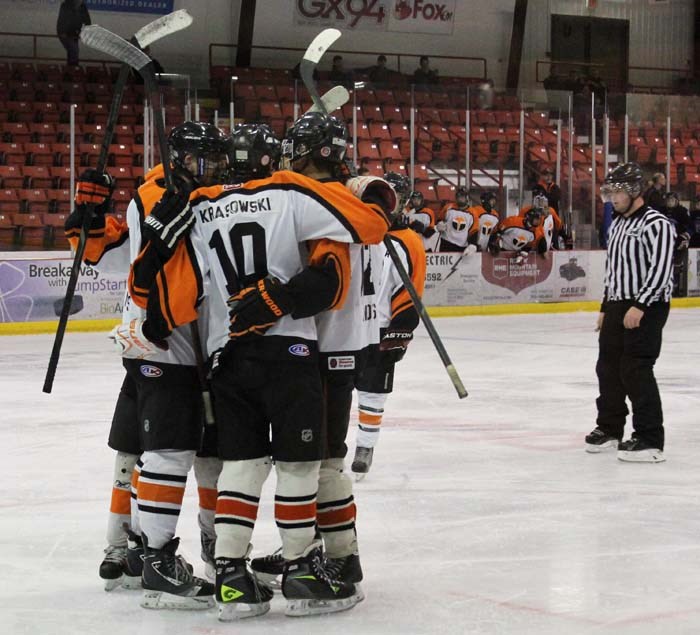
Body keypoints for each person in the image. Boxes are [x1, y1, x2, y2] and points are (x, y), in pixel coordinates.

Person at [130, 113, 392, 620]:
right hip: (294, 352)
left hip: (226, 356)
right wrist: (378, 197)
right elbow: (370, 226)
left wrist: (159, 321)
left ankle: (230, 574)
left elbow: (157, 295)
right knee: (305, 464)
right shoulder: (291, 191)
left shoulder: (200, 205)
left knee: (242, 463)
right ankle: (303, 569)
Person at [74, 122, 230, 608]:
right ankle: (140, 551)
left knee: (180, 448)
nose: (217, 169)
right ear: (185, 158)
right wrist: (89, 216)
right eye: (207, 160)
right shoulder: (153, 194)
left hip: (188, 344)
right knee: (161, 448)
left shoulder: (204, 194)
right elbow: (122, 256)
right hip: (161, 341)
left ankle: (138, 547)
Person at [585, 163, 675, 463]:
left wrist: (641, 305)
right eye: (608, 191)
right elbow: (614, 270)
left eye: (616, 192)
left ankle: (650, 438)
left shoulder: (656, 223)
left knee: (635, 368)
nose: (611, 197)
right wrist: (605, 306)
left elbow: (661, 270)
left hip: (646, 305)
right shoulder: (619, 223)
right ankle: (610, 428)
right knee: (607, 366)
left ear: (634, 190)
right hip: (618, 304)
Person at [352, 172, 425, 476]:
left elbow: (412, 291)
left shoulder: (408, 242)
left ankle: (365, 447)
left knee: (372, 393)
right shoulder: (358, 230)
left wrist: (401, 330)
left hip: (380, 328)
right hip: (348, 325)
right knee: (333, 390)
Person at [662, 191, 691, 297]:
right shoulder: (661, 211)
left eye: (672, 200)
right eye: (668, 200)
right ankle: (664, 289)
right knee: (664, 266)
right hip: (665, 243)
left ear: (677, 201)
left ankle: (676, 288)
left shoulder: (682, 211)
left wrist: (685, 237)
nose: (670, 202)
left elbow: (689, 226)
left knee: (677, 267)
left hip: (678, 243)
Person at [436, 187, 478, 253]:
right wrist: (439, 224)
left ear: (467, 198)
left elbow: (473, 231)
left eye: (462, 197)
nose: (460, 199)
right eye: (459, 197)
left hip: (462, 246)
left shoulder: (472, 213)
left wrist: (472, 244)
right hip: (446, 243)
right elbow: (439, 219)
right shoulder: (448, 207)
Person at [56, 0, 91, 67]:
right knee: (74, 50)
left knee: (72, 51)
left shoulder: (82, 7)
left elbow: (87, 20)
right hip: (65, 32)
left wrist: (86, 31)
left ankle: (71, 69)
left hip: (75, 33)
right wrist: (62, 32)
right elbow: (61, 19)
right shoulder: (65, 5)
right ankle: (73, 68)